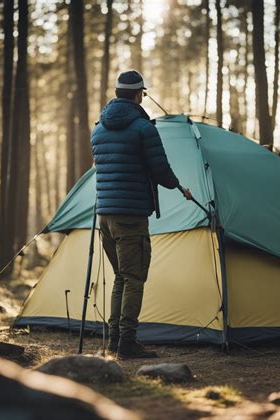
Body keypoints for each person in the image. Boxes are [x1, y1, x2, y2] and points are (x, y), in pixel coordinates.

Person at [90, 70, 191, 359]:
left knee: (121, 277)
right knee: (134, 278)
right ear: (138, 94)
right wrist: (178, 186)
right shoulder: (144, 128)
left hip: (105, 215)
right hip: (130, 215)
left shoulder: (98, 128)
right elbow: (159, 169)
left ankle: (114, 340)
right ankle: (127, 344)